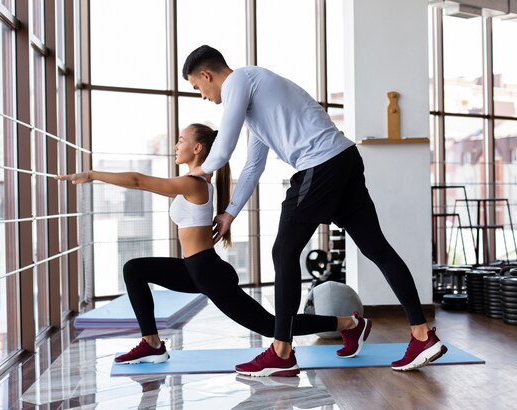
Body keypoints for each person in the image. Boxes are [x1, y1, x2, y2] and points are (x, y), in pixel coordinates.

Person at [182, 45, 447, 374]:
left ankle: (281, 352)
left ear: (206, 75)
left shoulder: (240, 81)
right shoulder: (257, 102)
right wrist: (230, 213)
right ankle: (422, 334)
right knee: (376, 247)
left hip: (319, 165)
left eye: (198, 87)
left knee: (284, 252)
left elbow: (224, 146)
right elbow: (252, 167)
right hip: (343, 159)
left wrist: (202, 171)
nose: (203, 95)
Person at [57, 123, 369, 376]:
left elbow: (138, 181)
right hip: (194, 268)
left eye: (181, 140)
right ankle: (151, 343)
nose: (175, 146)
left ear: (198, 148)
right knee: (134, 269)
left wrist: (93, 174)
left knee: (269, 325)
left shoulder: (194, 183)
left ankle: (349, 323)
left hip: (207, 272)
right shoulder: (195, 182)